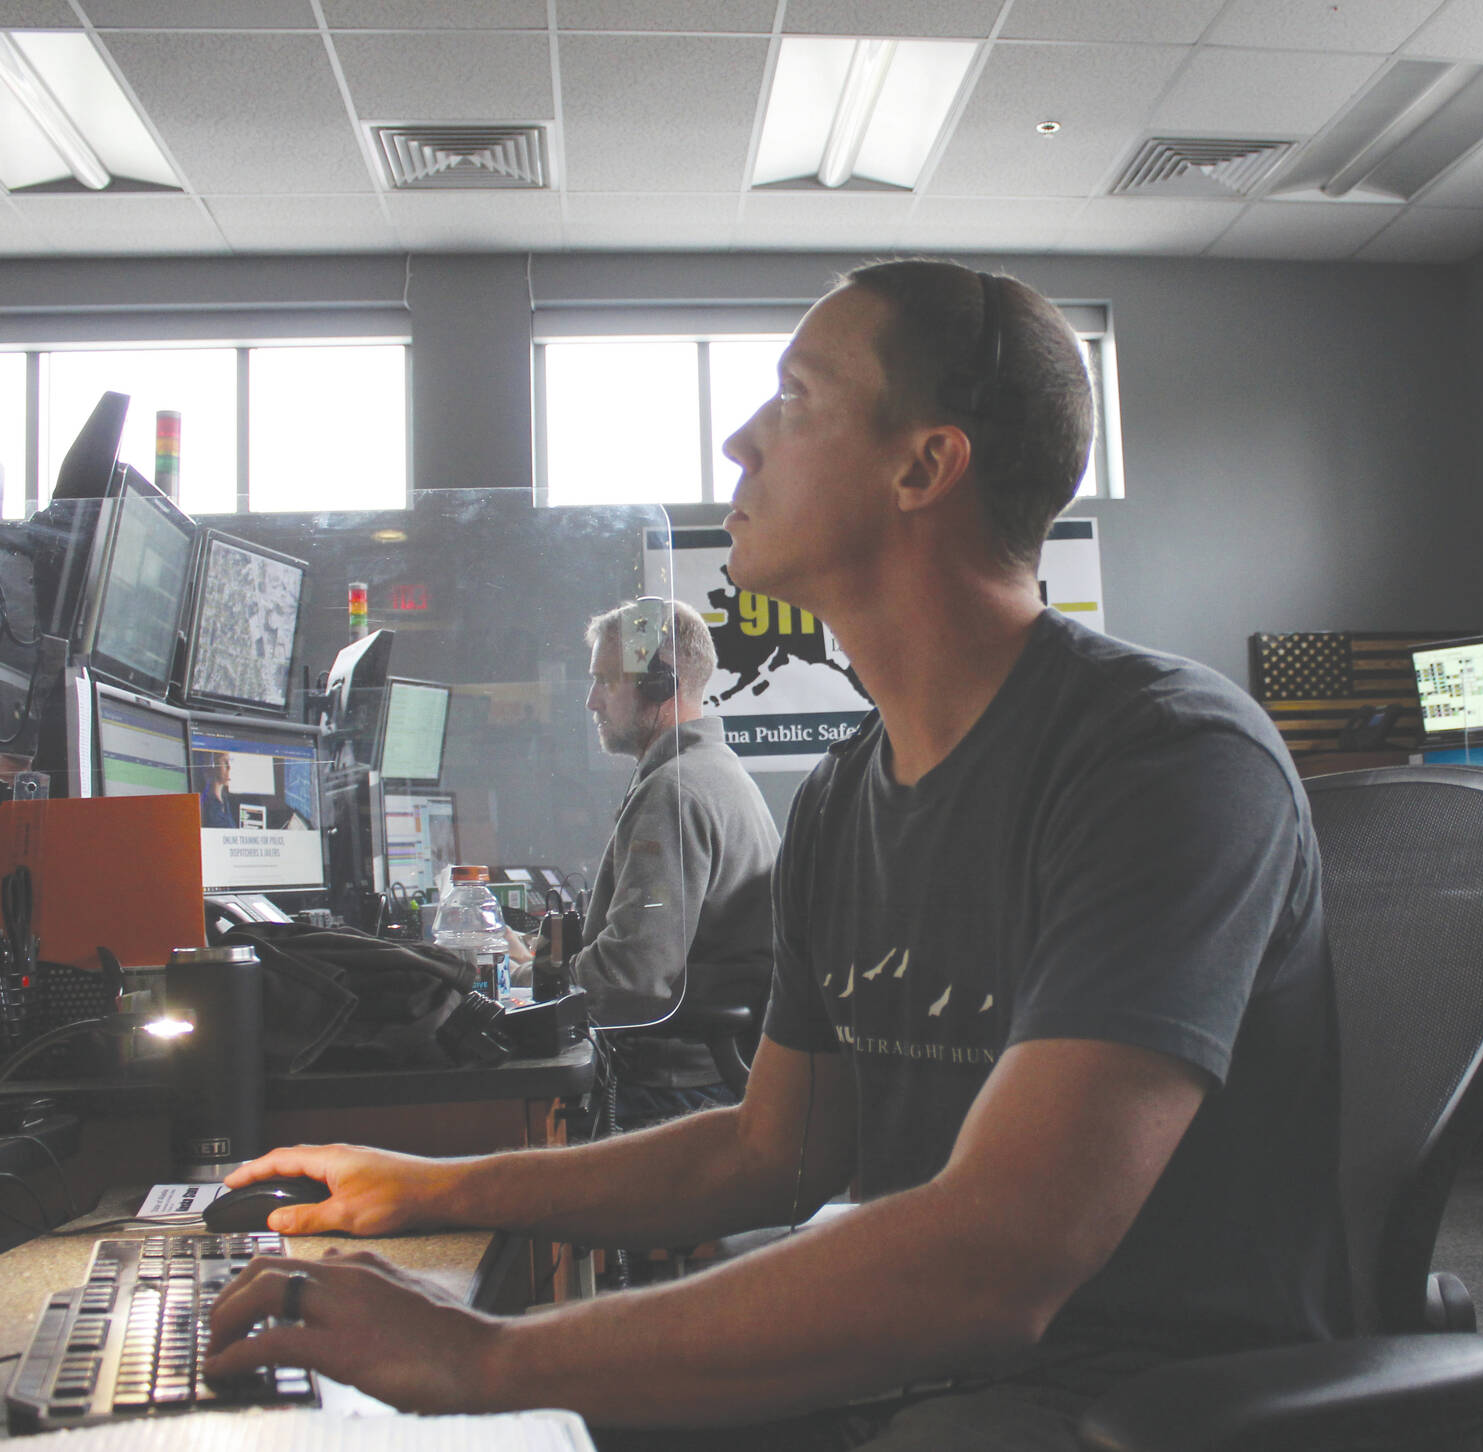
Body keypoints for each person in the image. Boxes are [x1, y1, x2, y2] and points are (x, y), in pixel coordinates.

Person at [205, 261, 1343, 1448]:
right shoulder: (848, 797)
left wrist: (485, 1356)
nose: (742, 439)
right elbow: (771, 1153)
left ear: (922, 465)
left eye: (795, 400)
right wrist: (434, 1185)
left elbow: (1000, 1259)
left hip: (1117, 1403)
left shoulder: (1158, 758)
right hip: (927, 1373)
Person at [539, 597, 779, 1124]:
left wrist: (535, 977)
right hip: (707, 1080)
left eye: (604, 679)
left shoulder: (674, 793)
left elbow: (633, 976)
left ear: (658, 685)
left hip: (668, 1091)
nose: (591, 702)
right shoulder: (713, 771)